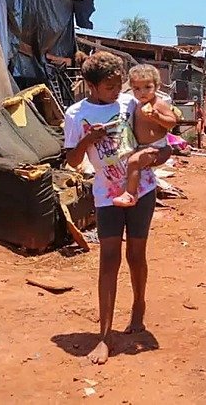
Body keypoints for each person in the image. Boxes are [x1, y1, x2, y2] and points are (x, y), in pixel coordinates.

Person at [63, 52, 171, 365]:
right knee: (108, 259)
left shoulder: (131, 104)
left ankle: (138, 305)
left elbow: (160, 143)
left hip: (142, 189)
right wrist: (88, 139)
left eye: (117, 84)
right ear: (91, 86)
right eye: (109, 86)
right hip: (106, 193)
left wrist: (149, 157)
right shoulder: (75, 113)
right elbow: (71, 159)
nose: (116, 91)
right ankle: (105, 336)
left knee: (136, 254)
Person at [112, 64, 178, 207]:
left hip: (155, 147)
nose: (142, 92)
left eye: (147, 87)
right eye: (137, 88)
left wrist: (157, 116)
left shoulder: (158, 104)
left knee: (134, 162)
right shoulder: (136, 104)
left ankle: (130, 194)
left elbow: (172, 122)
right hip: (141, 146)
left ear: (157, 86)